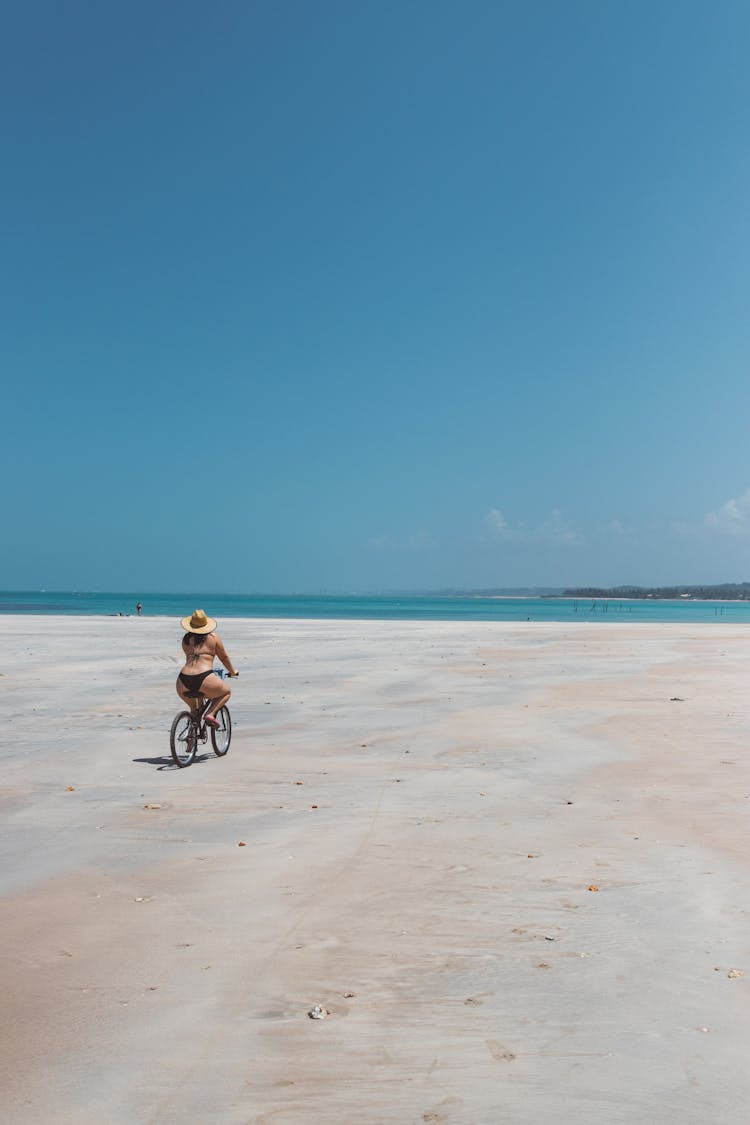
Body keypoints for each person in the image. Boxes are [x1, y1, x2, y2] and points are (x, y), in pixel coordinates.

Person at [176, 609, 238, 727]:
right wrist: (232, 671)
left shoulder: (186, 640)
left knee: (194, 711)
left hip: (183, 680)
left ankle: (191, 739)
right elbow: (224, 657)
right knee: (226, 692)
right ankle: (210, 714)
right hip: (204, 677)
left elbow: (190, 660)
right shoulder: (213, 637)